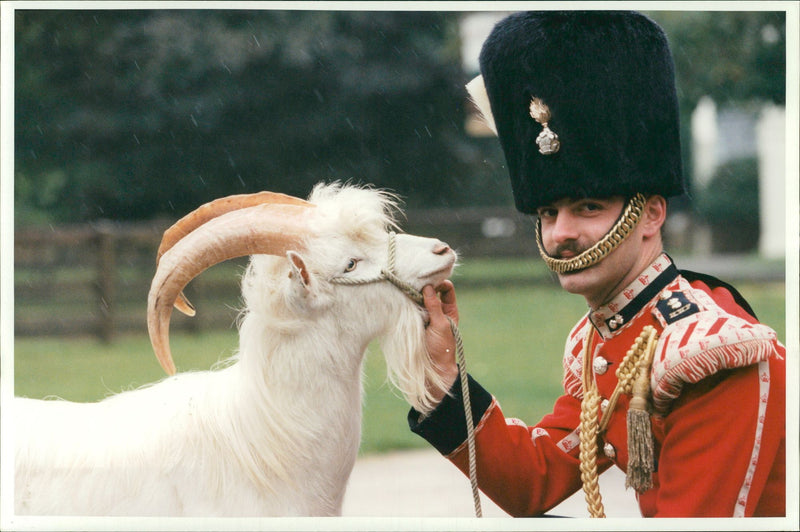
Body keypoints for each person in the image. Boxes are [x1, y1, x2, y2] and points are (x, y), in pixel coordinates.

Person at [409, 11, 785, 518]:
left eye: (588, 207)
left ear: (651, 214)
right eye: (548, 211)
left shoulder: (709, 353)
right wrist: (442, 375)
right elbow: (532, 481)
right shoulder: (606, 339)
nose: (562, 232)